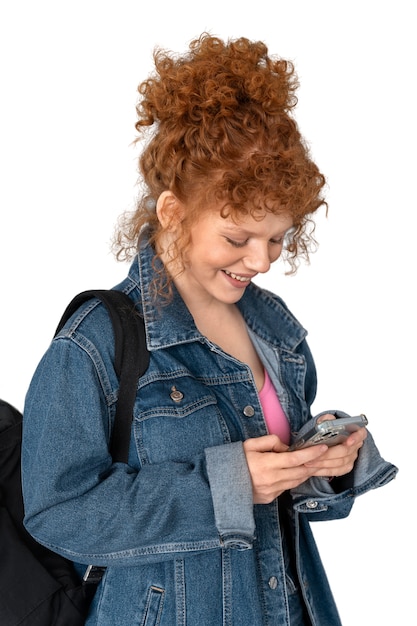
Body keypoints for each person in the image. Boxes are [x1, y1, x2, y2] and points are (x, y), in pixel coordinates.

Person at [22, 34, 397, 626]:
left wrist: (323, 466)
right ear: (172, 211)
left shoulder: (277, 333)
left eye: (276, 237)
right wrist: (223, 487)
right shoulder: (95, 342)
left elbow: (279, 513)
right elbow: (58, 512)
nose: (262, 260)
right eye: (237, 239)